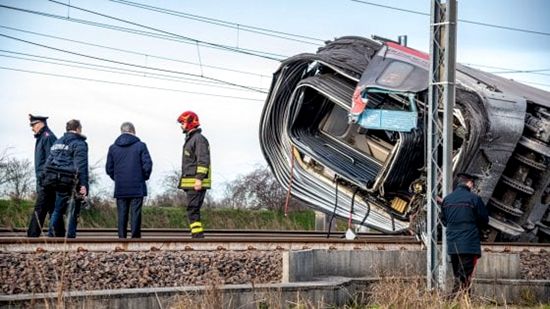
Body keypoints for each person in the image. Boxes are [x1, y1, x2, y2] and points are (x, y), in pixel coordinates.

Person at [440, 172, 489, 295]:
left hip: (453, 243)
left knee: (458, 273)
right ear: (469, 183)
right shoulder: (474, 199)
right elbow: (484, 219)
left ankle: (463, 300)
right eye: (473, 184)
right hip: (469, 243)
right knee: (465, 275)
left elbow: (444, 220)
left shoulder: (447, 199)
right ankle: (455, 298)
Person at [106, 122, 153, 238]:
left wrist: (117, 178)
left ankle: (122, 238)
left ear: (121, 131)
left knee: (122, 213)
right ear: (133, 131)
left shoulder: (113, 148)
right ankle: (135, 238)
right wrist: (143, 177)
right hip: (137, 185)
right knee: (135, 213)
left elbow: (109, 168)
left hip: (121, 186)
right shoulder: (141, 146)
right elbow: (147, 164)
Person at [47, 119, 89, 238]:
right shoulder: (79, 143)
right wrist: (83, 184)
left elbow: (49, 162)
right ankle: (70, 236)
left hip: (57, 179)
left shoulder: (57, 142)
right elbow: (81, 165)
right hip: (71, 180)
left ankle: (51, 234)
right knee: (73, 209)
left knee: (58, 208)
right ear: (78, 129)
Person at [26, 114, 65, 237]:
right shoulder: (43, 137)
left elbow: (52, 160)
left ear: (41, 123)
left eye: (34, 125)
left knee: (40, 208)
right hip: (46, 179)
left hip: (48, 180)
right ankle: (59, 234)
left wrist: (45, 179)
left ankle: (32, 235)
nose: (32, 128)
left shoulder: (47, 137)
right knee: (52, 208)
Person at [177, 111, 211, 238]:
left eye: (183, 123)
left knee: (193, 209)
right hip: (191, 182)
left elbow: (203, 161)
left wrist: (199, 179)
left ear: (191, 123)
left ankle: (197, 237)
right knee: (192, 210)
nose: (181, 125)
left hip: (195, 182)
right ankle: (197, 235)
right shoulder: (192, 139)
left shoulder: (198, 140)